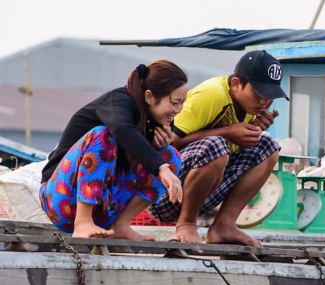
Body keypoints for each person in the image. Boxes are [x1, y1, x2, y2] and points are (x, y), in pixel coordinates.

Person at [150, 50, 288, 247]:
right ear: (236, 84)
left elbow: (235, 152)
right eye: (259, 93)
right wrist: (228, 132)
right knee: (216, 144)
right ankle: (186, 224)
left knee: (268, 145)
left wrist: (254, 129)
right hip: (162, 192)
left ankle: (224, 225)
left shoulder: (251, 107)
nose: (264, 101)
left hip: (203, 193)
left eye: (270, 96)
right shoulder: (212, 94)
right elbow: (167, 143)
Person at [39, 61, 187, 240]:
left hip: (106, 208)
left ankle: (121, 225)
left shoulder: (158, 120)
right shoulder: (117, 101)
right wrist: (161, 168)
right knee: (102, 135)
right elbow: (122, 129)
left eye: (182, 104)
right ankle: (83, 222)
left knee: (170, 156)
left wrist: (159, 150)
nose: (178, 110)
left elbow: (147, 156)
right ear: (149, 96)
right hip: (62, 201)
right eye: (175, 103)